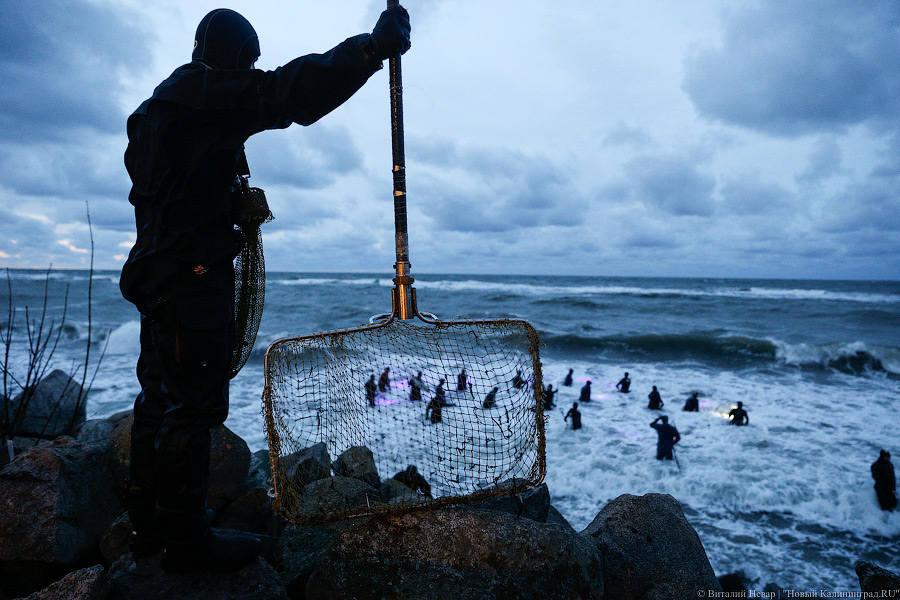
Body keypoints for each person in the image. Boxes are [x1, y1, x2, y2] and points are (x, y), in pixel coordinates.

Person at [118, 6, 411, 573]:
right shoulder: (202, 97)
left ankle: (147, 525)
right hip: (191, 281)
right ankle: (186, 543)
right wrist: (368, 51)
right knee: (192, 408)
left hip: (156, 276)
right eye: (246, 61)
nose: (250, 72)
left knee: (158, 398)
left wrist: (224, 201)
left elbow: (172, 193)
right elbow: (289, 93)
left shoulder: (152, 112)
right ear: (226, 55)